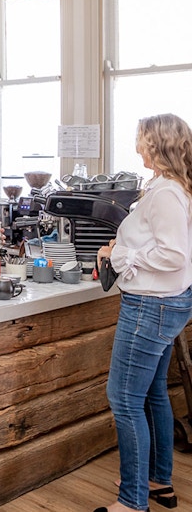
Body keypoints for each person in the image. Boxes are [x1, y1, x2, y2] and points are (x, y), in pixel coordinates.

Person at [94, 114, 192, 512]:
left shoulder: (167, 193)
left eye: (142, 142)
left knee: (124, 399)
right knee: (151, 394)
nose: (137, 149)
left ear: (159, 145)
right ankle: (158, 482)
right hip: (165, 302)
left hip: (151, 306)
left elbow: (173, 255)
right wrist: (128, 242)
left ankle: (132, 503)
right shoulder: (167, 188)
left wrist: (120, 253)